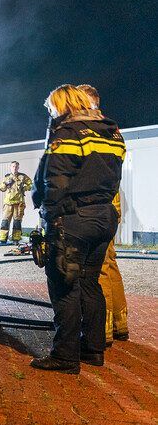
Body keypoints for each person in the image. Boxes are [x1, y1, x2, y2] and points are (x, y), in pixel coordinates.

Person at [30, 84, 125, 374]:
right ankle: (93, 350)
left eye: (52, 108)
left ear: (62, 104)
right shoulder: (111, 132)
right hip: (104, 216)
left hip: (72, 219)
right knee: (89, 284)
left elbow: (55, 181)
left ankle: (65, 356)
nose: (52, 113)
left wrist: (49, 219)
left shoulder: (68, 133)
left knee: (64, 288)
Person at [78, 84, 129, 344]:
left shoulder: (95, 131)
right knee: (110, 264)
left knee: (99, 270)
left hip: (100, 205)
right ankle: (119, 324)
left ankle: (103, 330)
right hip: (110, 204)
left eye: (80, 102)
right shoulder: (111, 130)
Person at [0, 161, 33, 244]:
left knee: (17, 222)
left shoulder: (22, 176)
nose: (15, 168)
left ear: (18, 167)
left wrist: (24, 188)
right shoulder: (6, 177)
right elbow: (2, 189)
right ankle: (3, 239)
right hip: (8, 203)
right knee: (5, 221)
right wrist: (6, 183)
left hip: (19, 203)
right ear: (10, 167)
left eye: (16, 166)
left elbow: (31, 185)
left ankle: (16, 239)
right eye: (13, 166)